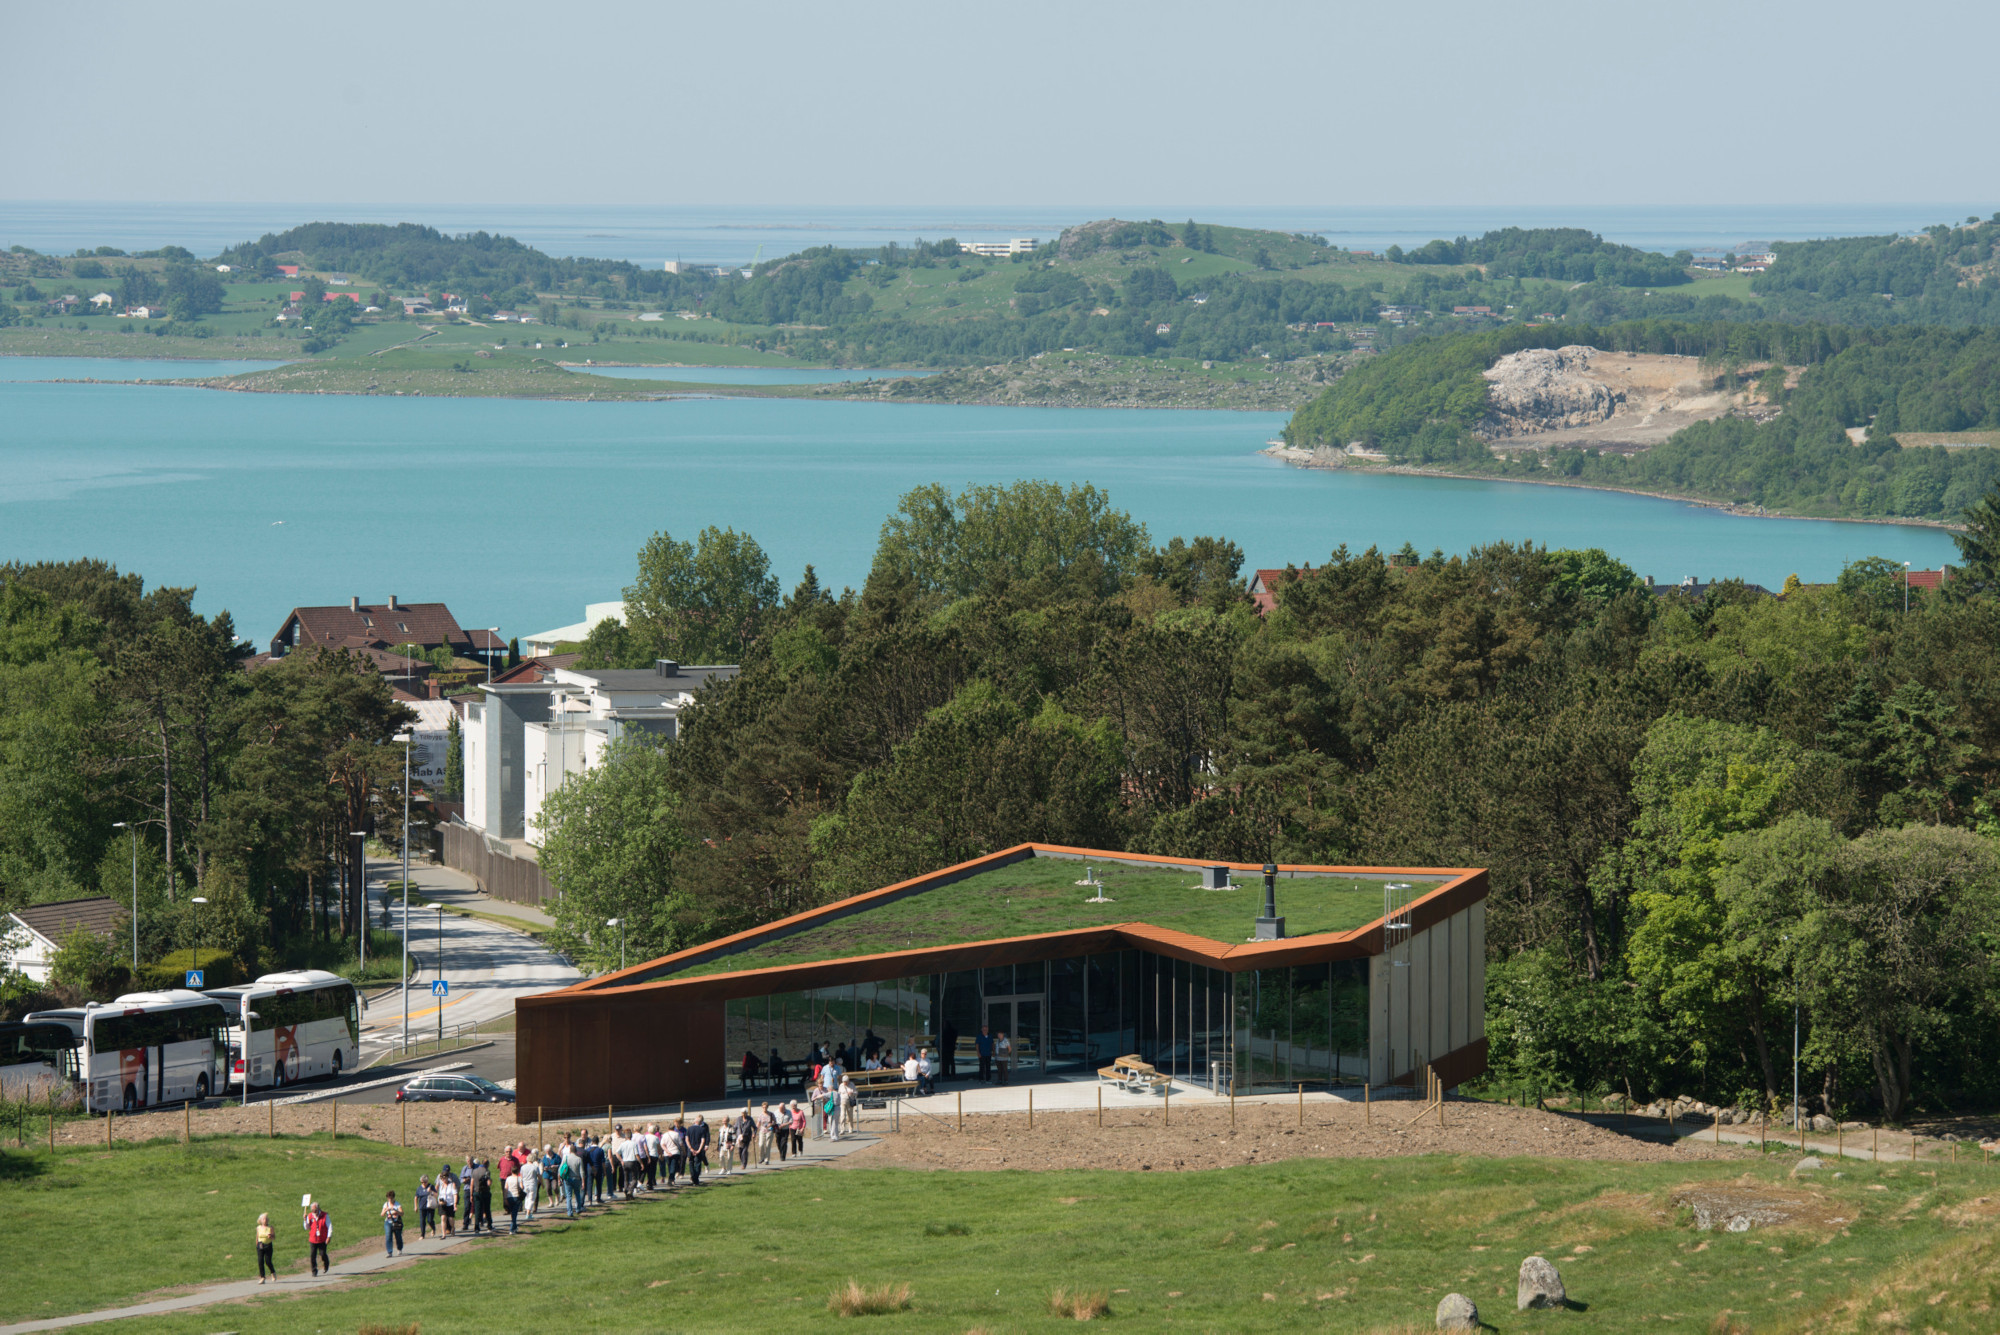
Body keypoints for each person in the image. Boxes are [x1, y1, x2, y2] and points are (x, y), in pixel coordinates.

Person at [303, 1200, 332, 1277]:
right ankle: (314, 1271)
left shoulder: (325, 1215)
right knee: (312, 1255)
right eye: (312, 1210)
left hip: (322, 1239)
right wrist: (305, 1220)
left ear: (318, 1208)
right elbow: (306, 1228)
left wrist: (329, 1236)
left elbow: (329, 1226)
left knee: (322, 1254)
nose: (314, 1212)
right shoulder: (309, 1216)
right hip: (313, 1239)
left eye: (315, 1210)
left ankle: (326, 1264)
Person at [684, 1114, 709, 1184]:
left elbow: (687, 1140)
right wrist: (699, 1150)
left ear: (695, 1122)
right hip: (698, 1149)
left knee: (691, 1162)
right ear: (700, 1122)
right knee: (698, 1163)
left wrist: (691, 1148)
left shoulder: (689, 1128)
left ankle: (692, 1176)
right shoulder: (702, 1129)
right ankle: (696, 1178)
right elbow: (703, 1141)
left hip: (691, 1149)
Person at [471, 1158, 493, 1233]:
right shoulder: (486, 1171)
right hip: (485, 1193)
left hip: (476, 1192)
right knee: (487, 1209)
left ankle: (476, 1227)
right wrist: (490, 1181)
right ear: (487, 1164)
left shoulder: (474, 1171)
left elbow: (472, 1184)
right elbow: (488, 1183)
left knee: (477, 1210)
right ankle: (489, 1226)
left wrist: (471, 1194)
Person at [381, 1189, 404, 1257]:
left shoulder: (397, 1204)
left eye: (391, 1198)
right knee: (388, 1236)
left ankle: (399, 1249)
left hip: (396, 1222)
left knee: (398, 1236)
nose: (390, 1200)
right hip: (388, 1222)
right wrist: (385, 1210)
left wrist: (396, 1211)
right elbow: (382, 1214)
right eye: (388, 1198)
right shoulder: (386, 1204)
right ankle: (389, 1252)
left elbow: (402, 1213)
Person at [255, 1212, 276, 1284]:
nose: (265, 1220)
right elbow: (257, 1237)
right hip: (260, 1246)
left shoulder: (270, 1228)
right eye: (264, 1219)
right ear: (260, 1220)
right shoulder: (258, 1228)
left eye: (266, 1219)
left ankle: (273, 1272)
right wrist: (257, 1245)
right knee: (260, 1261)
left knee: (268, 1261)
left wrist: (271, 1237)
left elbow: (274, 1238)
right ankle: (262, 1277)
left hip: (268, 1246)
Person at [436, 1170, 458, 1236]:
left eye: (444, 1178)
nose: (443, 1180)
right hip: (442, 1204)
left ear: (447, 1177)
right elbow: (440, 1195)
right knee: (443, 1218)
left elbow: (455, 1194)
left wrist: (455, 1204)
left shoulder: (452, 1185)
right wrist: (439, 1201)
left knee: (450, 1219)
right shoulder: (441, 1186)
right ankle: (444, 1234)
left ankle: (453, 1227)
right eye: (442, 1178)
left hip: (450, 1204)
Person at [502, 1165, 523, 1234]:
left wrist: (505, 1198)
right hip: (516, 1196)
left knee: (512, 1213)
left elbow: (505, 1189)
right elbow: (522, 1187)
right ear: (518, 1171)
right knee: (514, 1214)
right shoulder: (519, 1178)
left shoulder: (508, 1178)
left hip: (509, 1197)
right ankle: (511, 1229)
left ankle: (515, 1227)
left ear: (511, 1171)